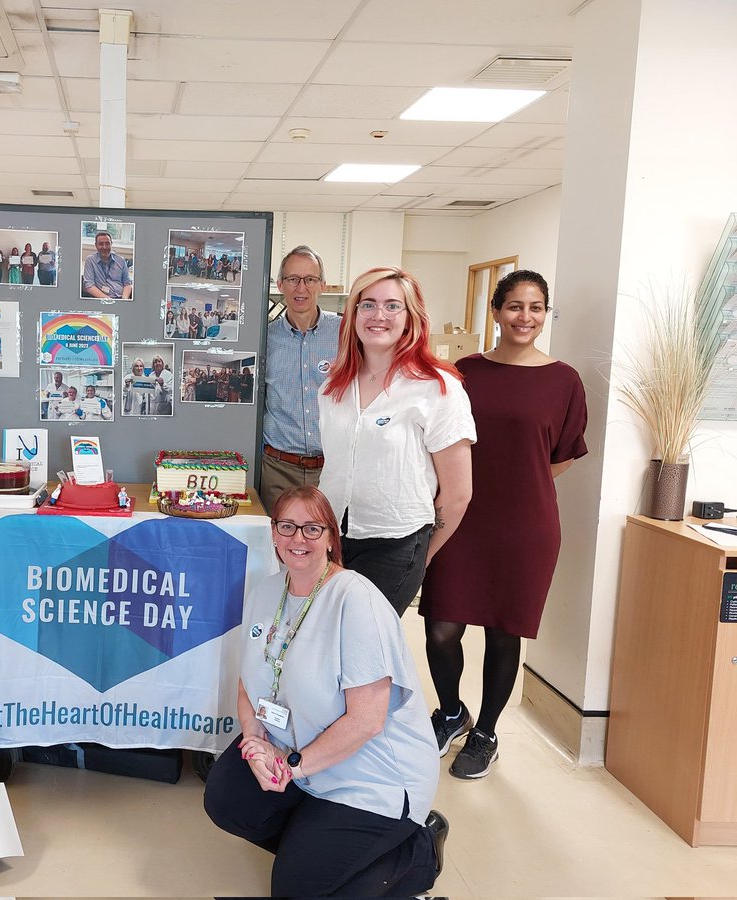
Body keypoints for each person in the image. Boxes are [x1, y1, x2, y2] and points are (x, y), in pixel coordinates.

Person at [203, 486, 447, 897]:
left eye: (312, 528)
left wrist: (291, 768)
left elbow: (367, 721)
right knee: (227, 799)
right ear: (274, 536)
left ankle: (418, 853)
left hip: (370, 776)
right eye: (287, 527)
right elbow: (248, 680)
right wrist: (254, 739)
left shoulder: (356, 601)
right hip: (298, 754)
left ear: (332, 538)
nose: (298, 539)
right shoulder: (267, 591)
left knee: (294, 890)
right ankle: (320, 846)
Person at [421, 270, 588, 779]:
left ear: (545, 315)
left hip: (524, 524)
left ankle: (487, 731)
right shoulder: (462, 372)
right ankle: (451, 711)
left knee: (502, 629)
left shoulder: (564, 381)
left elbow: (560, 456)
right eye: (514, 306)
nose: (525, 317)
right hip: (459, 516)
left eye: (536, 308)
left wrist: (521, 480)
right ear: (495, 312)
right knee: (441, 627)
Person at [316, 267, 475, 616]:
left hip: (396, 544)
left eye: (392, 306)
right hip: (330, 538)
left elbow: (458, 493)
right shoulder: (333, 387)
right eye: (367, 305)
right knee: (323, 640)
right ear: (353, 315)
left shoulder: (437, 388)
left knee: (364, 650)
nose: (378, 316)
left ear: (411, 318)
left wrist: (421, 557)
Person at [260, 246, 341, 512]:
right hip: (277, 470)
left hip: (333, 469)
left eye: (310, 279)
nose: (301, 288)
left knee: (332, 547)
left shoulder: (345, 333)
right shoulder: (264, 338)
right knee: (277, 547)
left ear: (323, 285)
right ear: (280, 284)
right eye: (293, 279)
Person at [82, 231, 132, 299]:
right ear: (96, 245)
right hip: (101, 300)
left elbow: (127, 284)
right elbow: (89, 286)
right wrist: (109, 300)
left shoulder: (121, 261)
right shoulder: (90, 261)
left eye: (107, 243)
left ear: (111, 244)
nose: (104, 247)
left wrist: (124, 299)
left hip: (121, 298)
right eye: (101, 244)